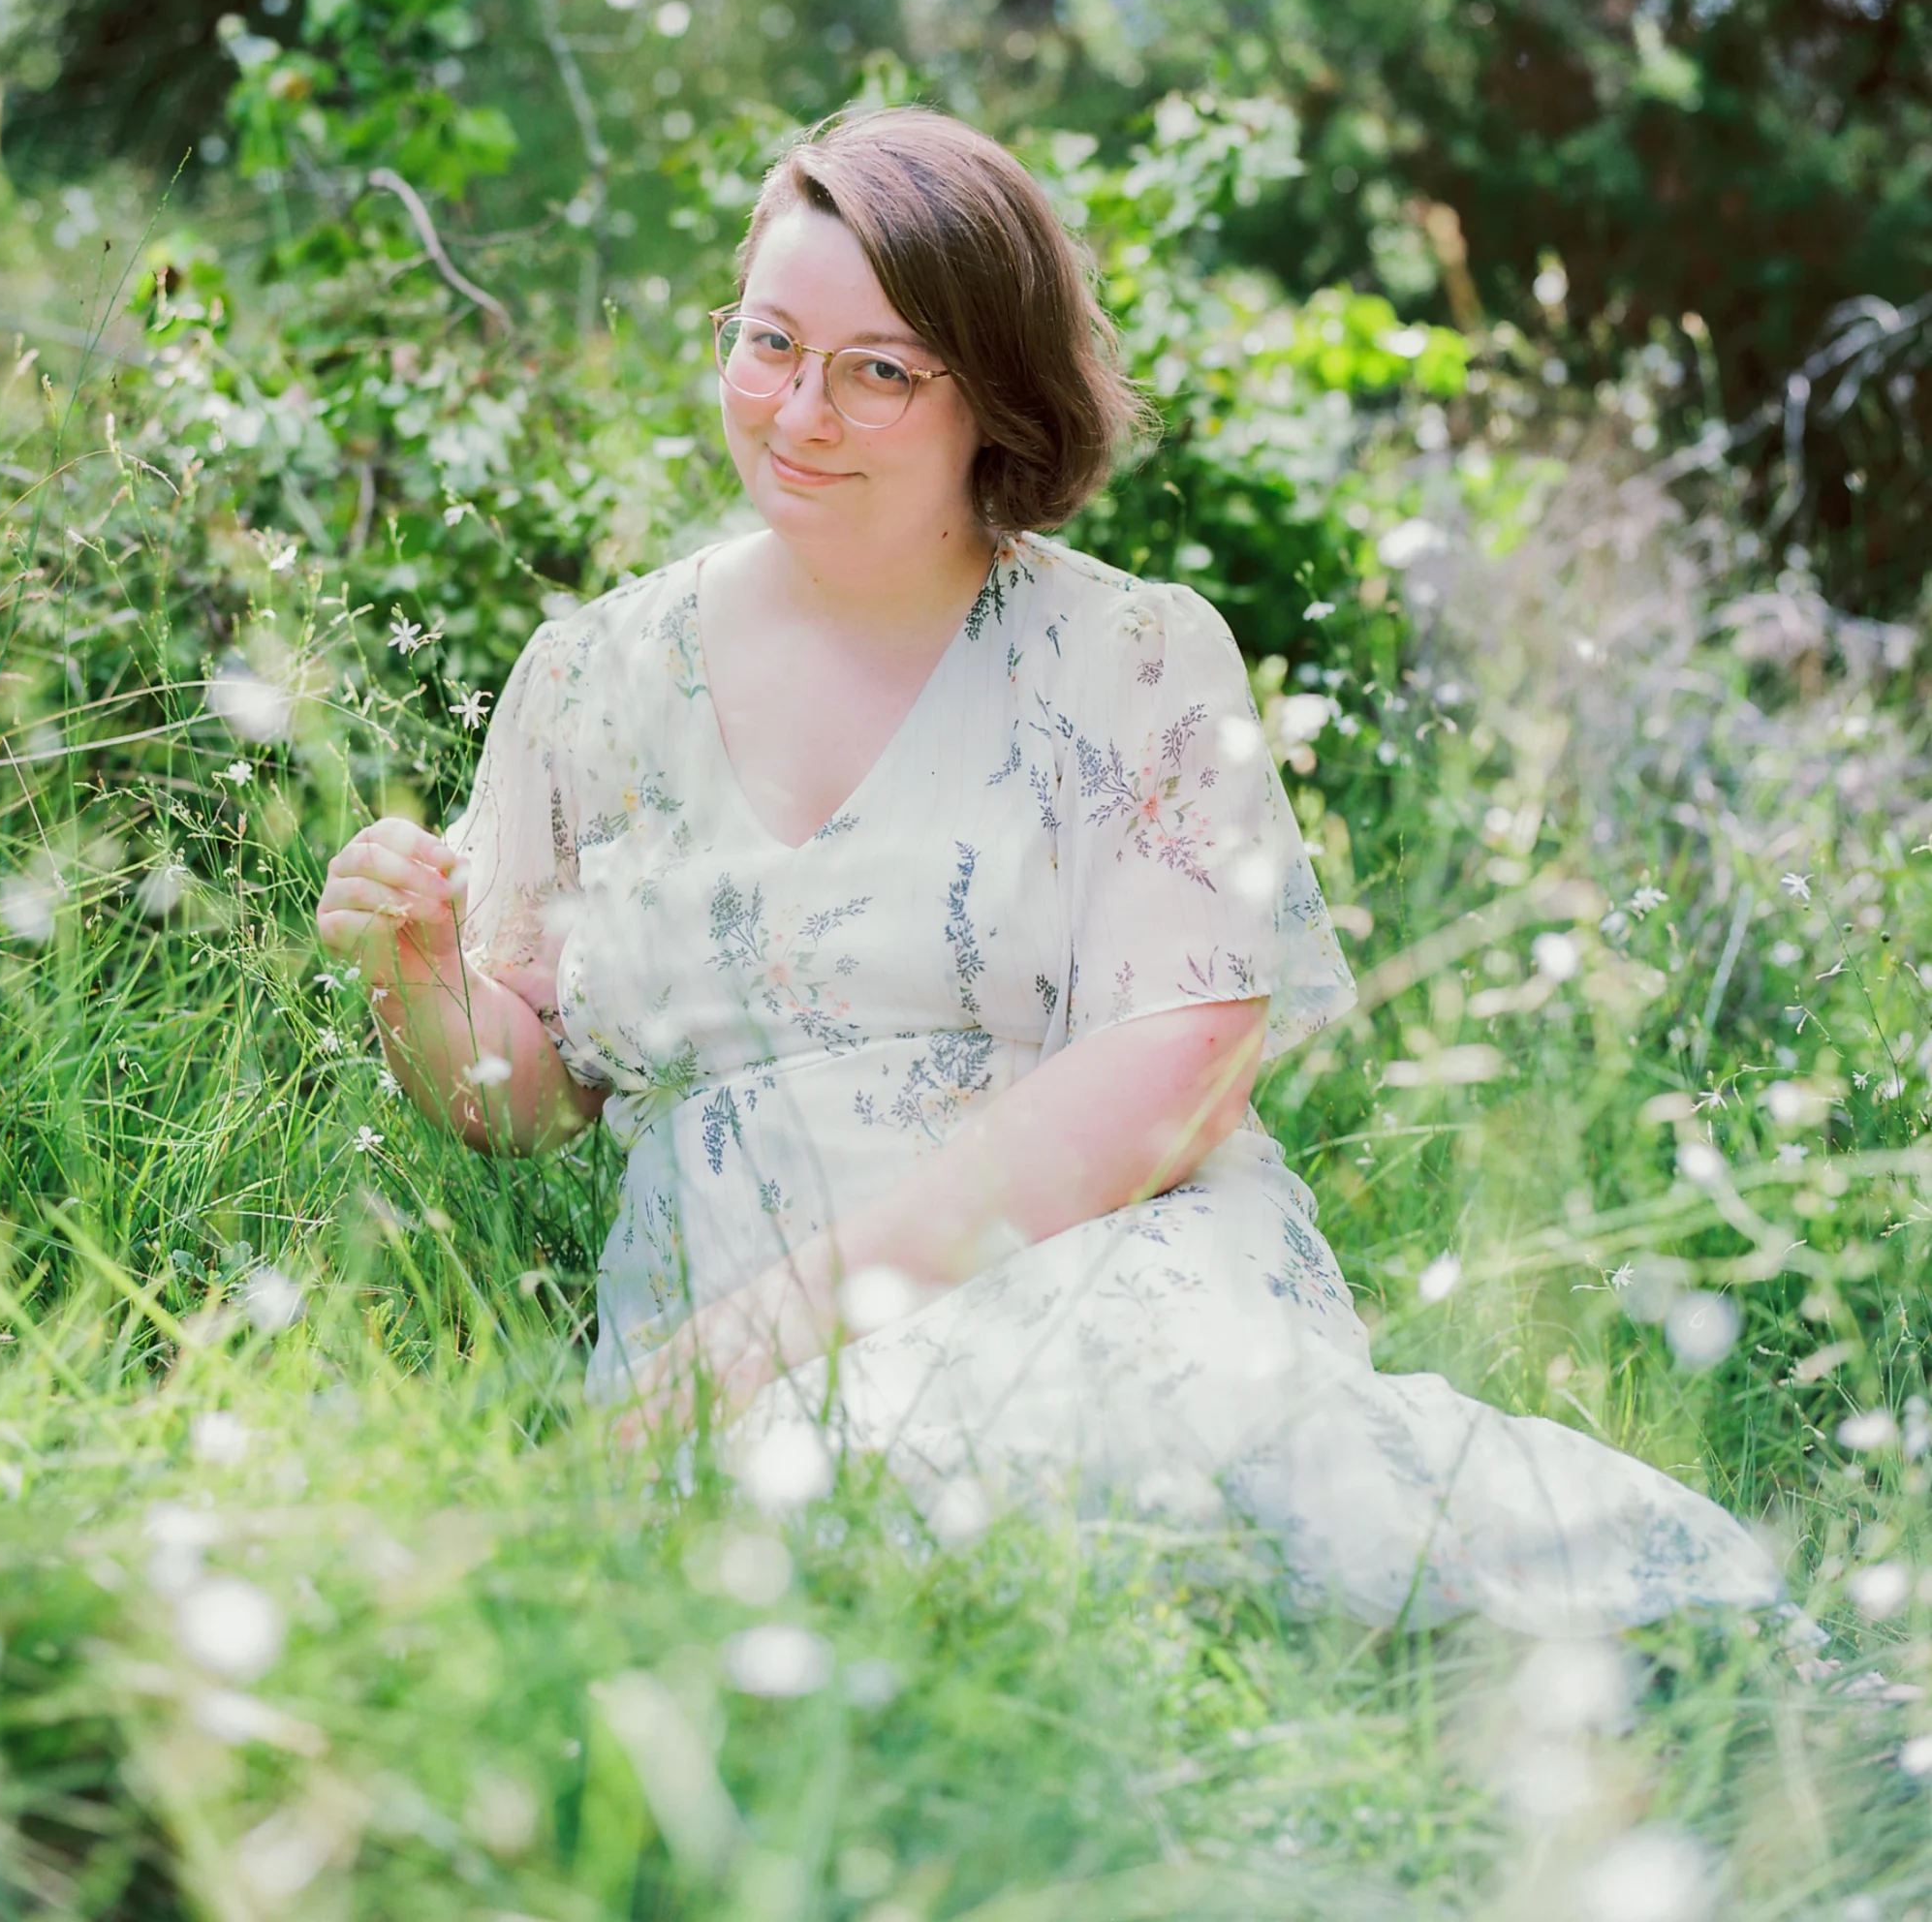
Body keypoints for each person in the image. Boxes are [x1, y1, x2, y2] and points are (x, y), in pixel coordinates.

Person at [316, 106, 1781, 1635]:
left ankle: (1689, 1678)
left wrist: (773, 1335)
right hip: (707, 1332)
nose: (798, 411)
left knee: (1176, 1480)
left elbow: (1171, 1080)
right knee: (854, 1575)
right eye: (767, 343)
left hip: (1102, 1255)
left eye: (879, 368)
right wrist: (419, 971)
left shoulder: (1130, 654)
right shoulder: (597, 674)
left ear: (992, 397)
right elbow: (523, 1100)